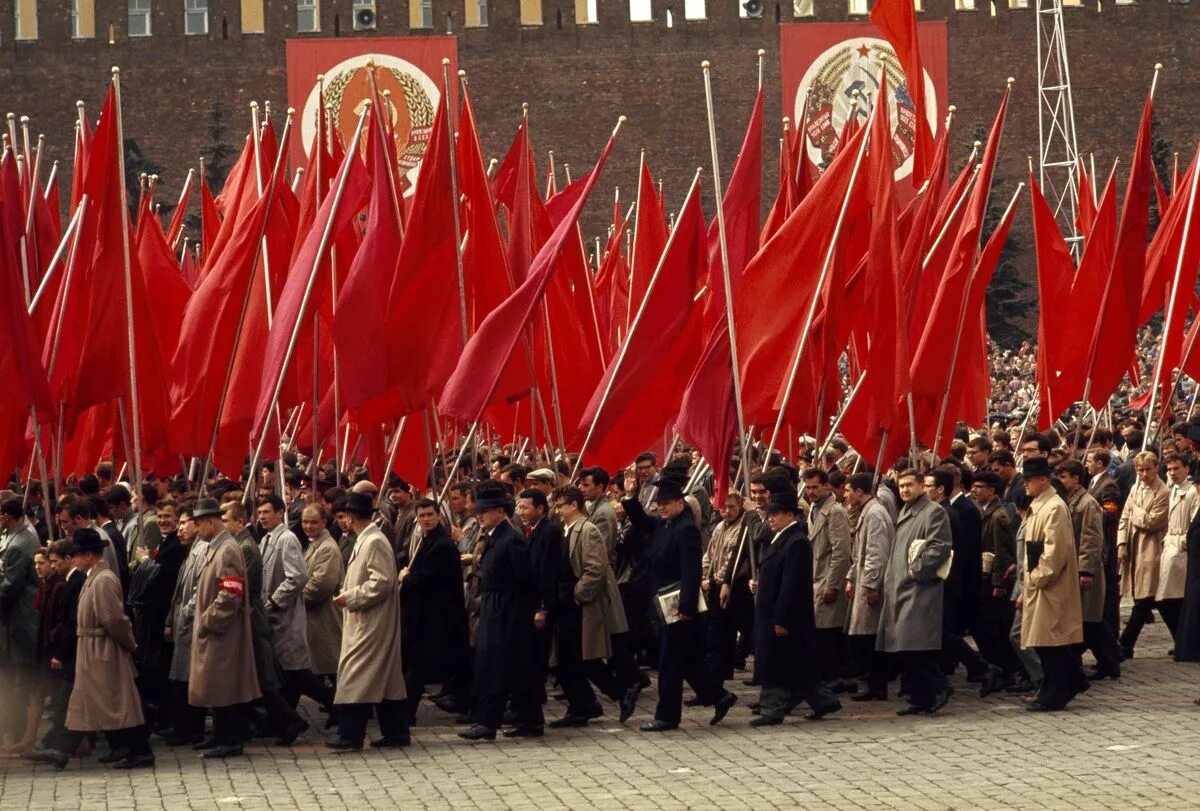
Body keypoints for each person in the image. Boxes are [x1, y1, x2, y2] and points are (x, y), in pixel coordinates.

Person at [622, 479, 737, 732]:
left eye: (666, 504)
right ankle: (719, 695)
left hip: (678, 606)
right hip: (662, 603)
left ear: (680, 503)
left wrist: (686, 608)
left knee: (670, 662)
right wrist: (630, 497)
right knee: (686, 659)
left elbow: (691, 571)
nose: (661, 508)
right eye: (659, 504)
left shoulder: (686, 529)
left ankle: (667, 716)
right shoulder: (665, 524)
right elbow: (642, 522)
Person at [61, 528, 155, 769]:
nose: (74, 560)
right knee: (113, 703)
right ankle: (126, 747)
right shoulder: (95, 577)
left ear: (89, 555)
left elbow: (114, 619)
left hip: (103, 650)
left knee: (120, 702)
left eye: (78, 555)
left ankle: (139, 750)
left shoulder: (103, 579)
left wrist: (129, 644)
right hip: (94, 648)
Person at [549, 486, 637, 727]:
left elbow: (595, 569)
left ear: (573, 505)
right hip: (567, 606)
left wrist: (578, 595)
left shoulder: (588, 531)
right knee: (567, 659)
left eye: (560, 506)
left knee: (586, 658)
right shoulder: (566, 531)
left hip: (582, 607)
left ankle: (620, 693)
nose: (557, 511)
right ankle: (583, 704)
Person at [749, 492, 840, 726]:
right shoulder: (781, 538)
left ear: (790, 515)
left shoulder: (796, 542)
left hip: (786, 615)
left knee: (777, 664)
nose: (771, 519)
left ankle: (772, 709)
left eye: (776, 514)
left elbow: (792, 584)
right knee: (799, 664)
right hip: (774, 611)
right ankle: (823, 700)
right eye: (770, 515)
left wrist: (782, 618)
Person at [459, 484, 542, 741]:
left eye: (484, 511)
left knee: (498, 666)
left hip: (509, 609)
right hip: (494, 605)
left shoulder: (511, 538)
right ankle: (530, 720)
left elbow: (527, 579)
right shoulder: (493, 536)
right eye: (477, 511)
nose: (479, 516)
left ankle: (487, 722)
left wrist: (526, 611)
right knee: (507, 667)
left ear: (499, 511)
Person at [328, 492, 409, 751]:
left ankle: (350, 734)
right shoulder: (367, 538)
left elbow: (382, 582)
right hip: (368, 620)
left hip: (371, 622)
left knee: (356, 676)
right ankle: (396, 732)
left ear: (351, 517)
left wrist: (350, 597)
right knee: (384, 678)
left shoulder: (373, 541)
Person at [188, 498, 262, 759]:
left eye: (198, 524)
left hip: (223, 632)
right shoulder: (214, 547)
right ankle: (220, 734)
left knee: (225, 686)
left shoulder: (227, 549)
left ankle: (230, 738)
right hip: (216, 631)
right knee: (215, 685)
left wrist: (209, 620)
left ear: (210, 522)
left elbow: (230, 593)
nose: (196, 530)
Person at [876, 470, 952, 716]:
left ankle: (938, 687)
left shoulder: (933, 512)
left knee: (916, 646)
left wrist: (916, 572)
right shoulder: (906, 511)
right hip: (901, 588)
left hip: (919, 589)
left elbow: (940, 546)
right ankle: (921, 698)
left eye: (910, 485)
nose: (905, 490)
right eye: (901, 486)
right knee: (907, 648)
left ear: (922, 486)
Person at [1018, 458, 1087, 712]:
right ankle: (1064, 683)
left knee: (1051, 642)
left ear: (1043, 480)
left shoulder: (1054, 507)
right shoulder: (1040, 504)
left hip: (1050, 584)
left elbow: (1055, 551)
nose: (1025, 485)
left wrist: (1037, 578)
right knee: (1043, 640)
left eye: (1029, 480)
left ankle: (1057, 691)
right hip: (1040, 583)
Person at [400, 498, 469, 723]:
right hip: (426, 614)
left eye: (430, 514)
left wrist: (406, 577)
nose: (426, 519)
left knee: (420, 666)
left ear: (439, 515)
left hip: (439, 616)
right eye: (422, 516)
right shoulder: (427, 540)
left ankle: (406, 714)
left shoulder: (442, 545)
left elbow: (428, 579)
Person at [1055, 460, 1122, 680]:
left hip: (1086, 570)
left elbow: (1091, 538)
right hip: (1074, 568)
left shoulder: (1087, 503)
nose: (1061, 481)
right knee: (1090, 621)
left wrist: (1086, 570)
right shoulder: (1070, 501)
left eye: (1064, 477)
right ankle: (1109, 662)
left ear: (1076, 479)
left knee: (1090, 620)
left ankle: (1107, 662)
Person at [844, 474, 894, 701]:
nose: (846, 495)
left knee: (872, 636)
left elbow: (876, 551)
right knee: (866, 636)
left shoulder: (875, 514)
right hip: (864, 578)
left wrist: (871, 585)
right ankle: (875, 683)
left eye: (848, 491)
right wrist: (851, 577)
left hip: (872, 582)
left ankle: (878, 684)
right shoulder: (868, 511)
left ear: (859, 492)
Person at [803, 469, 853, 692]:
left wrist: (833, 584)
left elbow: (841, 552)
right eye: (808, 487)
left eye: (815, 487)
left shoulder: (835, 511)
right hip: (815, 578)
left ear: (826, 486)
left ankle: (835, 679)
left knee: (828, 634)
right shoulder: (814, 508)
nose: (811, 491)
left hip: (827, 578)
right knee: (820, 633)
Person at [1117, 451, 1169, 658]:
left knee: (1144, 599)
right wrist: (1121, 543)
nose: (1144, 474)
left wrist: (1135, 510)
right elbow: (1124, 518)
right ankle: (1183, 638)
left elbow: (1152, 521)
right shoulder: (1135, 487)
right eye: (1140, 470)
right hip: (1133, 547)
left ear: (1156, 468)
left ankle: (1125, 645)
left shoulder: (1163, 492)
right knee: (1163, 603)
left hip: (1151, 549)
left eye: (1148, 469)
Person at [970, 471, 1020, 683]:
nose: (974, 490)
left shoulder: (998, 516)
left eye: (979, 487)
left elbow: (1002, 551)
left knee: (998, 627)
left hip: (995, 580)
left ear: (991, 490)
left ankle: (1006, 669)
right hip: (987, 577)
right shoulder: (985, 512)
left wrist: (999, 582)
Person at [0, 496, 41, 745]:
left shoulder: (21, 542)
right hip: (12, 619)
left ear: (6, 515)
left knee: (19, 678)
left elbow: (9, 586)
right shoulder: (11, 536)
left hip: (21, 619)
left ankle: (17, 731)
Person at [301, 504, 344, 692]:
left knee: (332, 666)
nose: (308, 526)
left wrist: (297, 600)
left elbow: (320, 585)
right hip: (315, 618)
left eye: (313, 522)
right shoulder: (314, 543)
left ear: (324, 522)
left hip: (325, 615)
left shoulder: (327, 548)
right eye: (305, 522)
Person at [1158, 453, 1197, 642]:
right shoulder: (1173, 489)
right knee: (1168, 600)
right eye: (1170, 469)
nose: (1172, 473)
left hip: (1181, 550)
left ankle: (1183, 639)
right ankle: (1181, 639)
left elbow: (1194, 522)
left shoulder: (1192, 492)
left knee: (1170, 600)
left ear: (1187, 469)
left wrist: (1182, 543)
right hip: (1170, 546)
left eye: (1176, 468)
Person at [1085, 449, 1123, 637]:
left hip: (1106, 545)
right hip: (1099, 544)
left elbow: (1110, 514)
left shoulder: (1108, 485)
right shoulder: (1093, 483)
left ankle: (1111, 637)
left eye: (1090, 461)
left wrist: (1090, 512)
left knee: (1108, 596)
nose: (1086, 464)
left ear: (1099, 463)